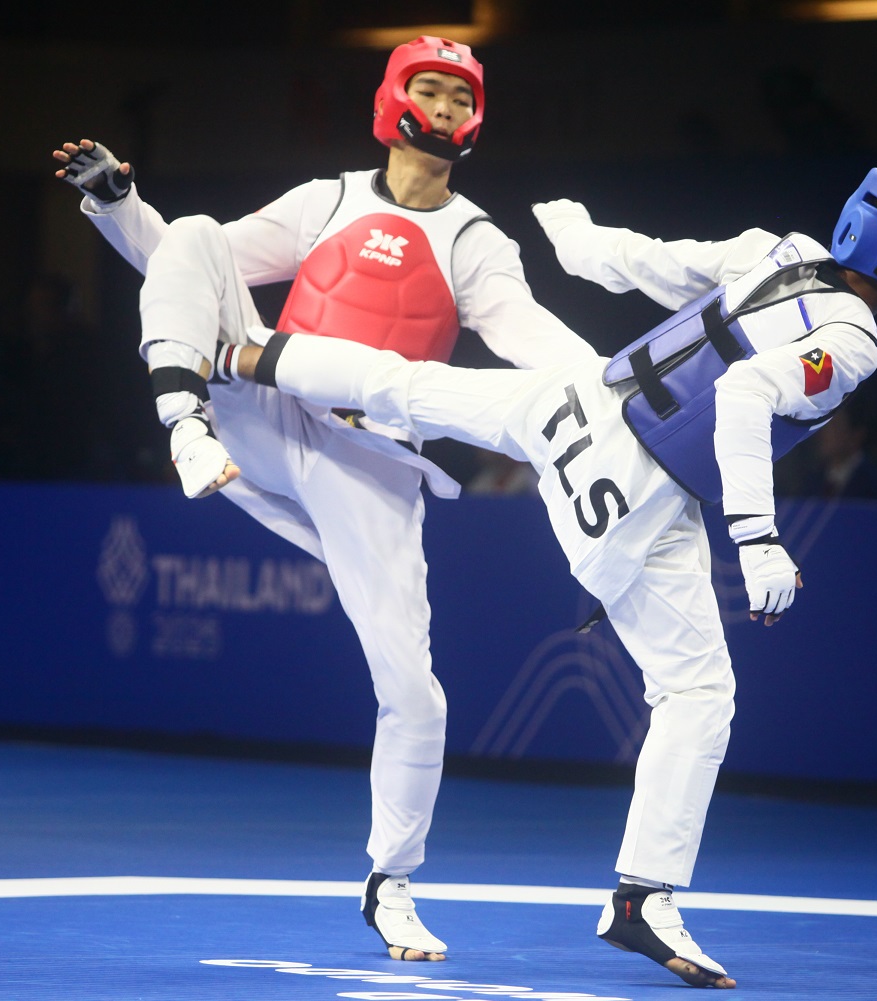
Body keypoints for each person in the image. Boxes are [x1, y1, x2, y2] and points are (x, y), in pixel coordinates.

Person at [152, 164, 877, 988]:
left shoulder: (778, 248)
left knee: (419, 387)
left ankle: (247, 354)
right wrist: (758, 537)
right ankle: (642, 897)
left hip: (583, 398)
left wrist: (576, 237)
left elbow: (644, 261)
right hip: (638, 492)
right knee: (696, 692)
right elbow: (750, 391)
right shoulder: (856, 340)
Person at [51, 36, 598, 962]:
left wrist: (620, 395)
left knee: (416, 695)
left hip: (372, 463)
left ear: (478, 121)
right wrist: (115, 203)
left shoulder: (476, 241)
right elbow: (188, 267)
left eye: (462, 98)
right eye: (430, 89)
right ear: (394, 102)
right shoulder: (326, 201)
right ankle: (184, 427)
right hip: (262, 408)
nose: (448, 109)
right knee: (191, 234)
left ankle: (391, 884)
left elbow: (539, 344)